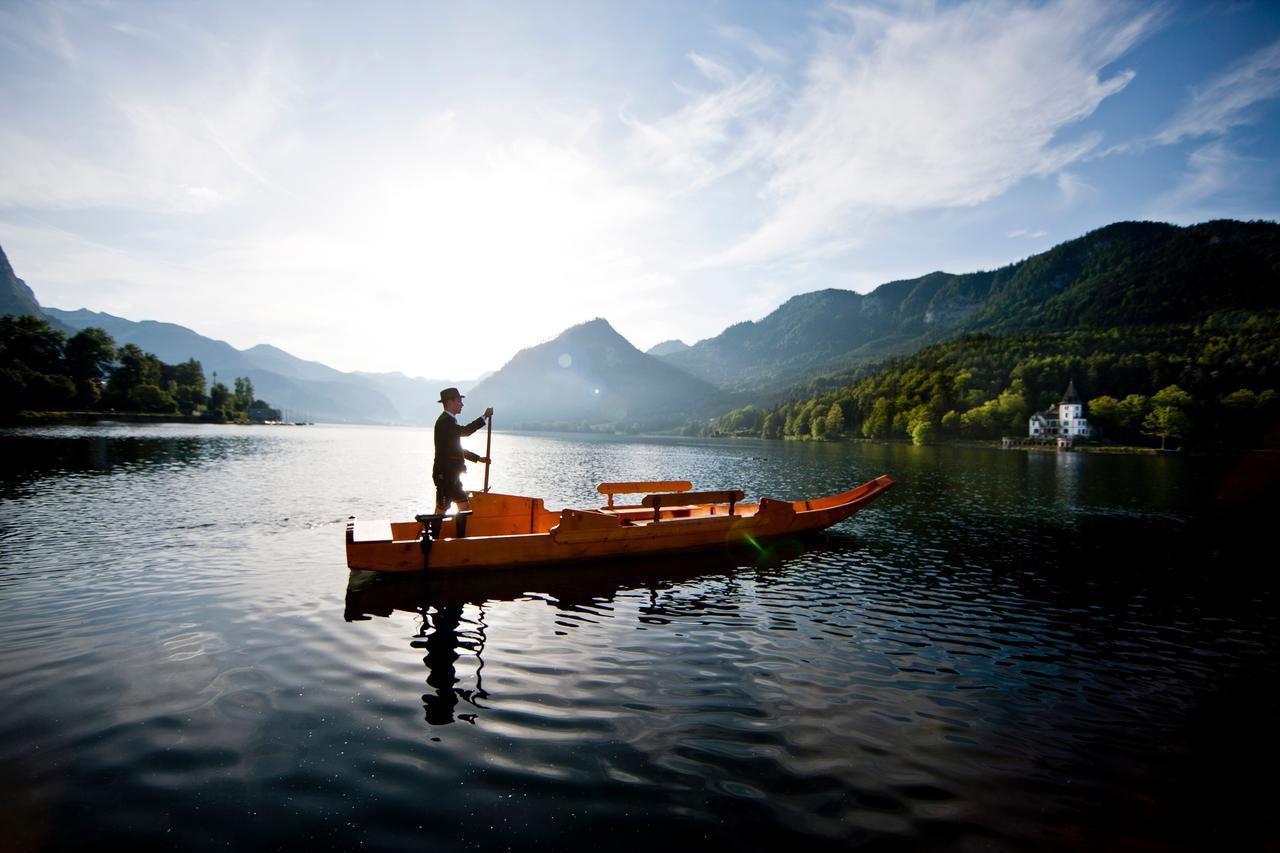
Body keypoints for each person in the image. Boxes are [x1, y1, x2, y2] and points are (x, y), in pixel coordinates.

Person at [433, 387, 493, 514]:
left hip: (451, 476)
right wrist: (484, 417)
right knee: (442, 510)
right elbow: (465, 431)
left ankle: (459, 534)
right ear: (450, 403)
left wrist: (478, 459)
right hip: (445, 476)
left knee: (463, 506)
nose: (462, 404)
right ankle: (430, 533)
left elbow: (456, 449)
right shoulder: (445, 422)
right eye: (459, 401)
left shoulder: (448, 421)